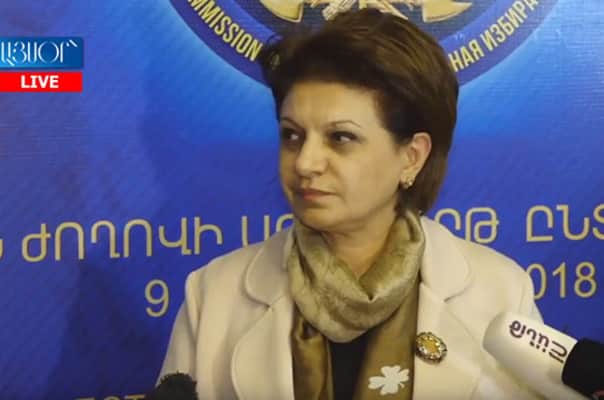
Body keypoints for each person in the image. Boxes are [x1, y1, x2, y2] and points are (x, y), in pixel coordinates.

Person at [157, 8, 543, 400]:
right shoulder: (214, 295)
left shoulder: (499, 294)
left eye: (340, 138)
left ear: (412, 157)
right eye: (292, 135)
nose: (305, 163)